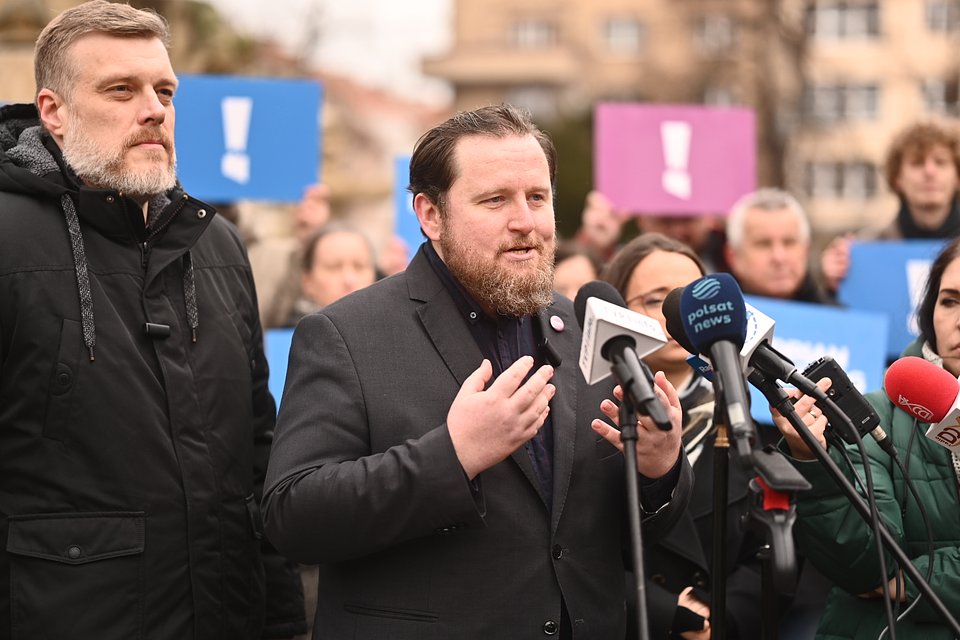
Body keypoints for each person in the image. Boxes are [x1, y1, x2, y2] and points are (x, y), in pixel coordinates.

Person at [262, 104, 692, 639]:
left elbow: (605, 538)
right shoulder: (346, 334)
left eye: (538, 198)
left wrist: (658, 471)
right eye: (495, 200)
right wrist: (453, 455)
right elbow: (293, 517)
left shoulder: (584, 326)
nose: (525, 221)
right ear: (430, 215)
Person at [0, 2, 306, 637]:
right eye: (121, 89)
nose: (154, 110)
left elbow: (258, 456)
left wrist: (284, 623)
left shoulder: (216, 244)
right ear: (53, 111)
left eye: (164, 90)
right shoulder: (7, 240)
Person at [769, 236, 960, 639]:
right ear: (929, 314)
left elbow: (895, 580)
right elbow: (867, 566)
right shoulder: (876, 415)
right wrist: (812, 456)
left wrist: (912, 583)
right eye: (950, 301)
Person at [603, 233, 765, 640]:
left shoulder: (736, 406)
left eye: (687, 301)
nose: (674, 316)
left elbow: (765, 548)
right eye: (656, 300)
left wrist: (718, 619)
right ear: (618, 309)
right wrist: (667, 613)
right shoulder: (593, 412)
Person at [820, 121, 960, 295]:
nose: (929, 171)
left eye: (940, 162)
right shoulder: (865, 250)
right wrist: (833, 284)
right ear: (897, 178)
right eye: (917, 163)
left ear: (957, 177)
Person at [725, 188, 834, 304]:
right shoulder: (712, 320)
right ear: (733, 257)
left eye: (789, 242)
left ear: (806, 250)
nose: (779, 257)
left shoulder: (839, 318)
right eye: (764, 244)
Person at [284, 223, 378, 326]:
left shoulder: (392, 328)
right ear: (307, 281)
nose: (349, 280)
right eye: (334, 267)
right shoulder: (290, 337)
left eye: (359, 266)